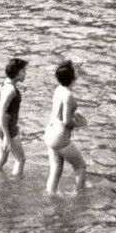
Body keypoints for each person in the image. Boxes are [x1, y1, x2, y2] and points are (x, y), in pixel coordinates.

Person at [43, 60, 88, 196]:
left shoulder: (59, 89)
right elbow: (66, 121)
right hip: (60, 136)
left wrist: (73, 115)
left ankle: (50, 195)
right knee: (80, 166)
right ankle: (79, 196)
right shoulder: (69, 96)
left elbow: (60, 113)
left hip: (50, 133)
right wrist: (80, 124)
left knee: (55, 169)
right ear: (72, 78)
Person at [0, 58, 27, 176]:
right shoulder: (11, 90)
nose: (25, 74)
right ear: (16, 73)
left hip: (2, 125)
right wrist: (6, 136)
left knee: (2, 158)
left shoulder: (6, 83)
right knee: (20, 159)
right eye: (23, 71)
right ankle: (16, 185)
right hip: (6, 127)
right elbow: (2, 111)